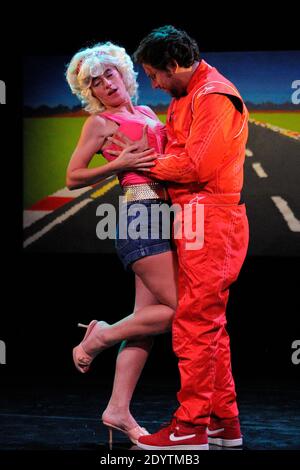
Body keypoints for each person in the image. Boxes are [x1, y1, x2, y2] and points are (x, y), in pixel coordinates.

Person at [111, 25, 249, 450]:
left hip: (212, 217)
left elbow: (193, 167)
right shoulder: (185, 97)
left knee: (195, 325)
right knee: (210, 327)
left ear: (174, 65)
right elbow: (177, 154)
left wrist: (139, 162)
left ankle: (190, 429)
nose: (152, 83)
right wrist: (159, 158)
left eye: (154, 74)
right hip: (193, 216)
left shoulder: (214, 96)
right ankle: (224, 424)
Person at [65, 42, 178, 445]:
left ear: (123, 74)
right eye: (95, 83)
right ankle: (100, 335)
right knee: (182, 311)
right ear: (91, 93)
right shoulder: (99, 124)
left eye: (109, 74)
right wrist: (119, 164)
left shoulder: (147, 113)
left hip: (166, 218)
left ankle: (117, 409)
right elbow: (74, 176)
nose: (106, 84)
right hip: (139, 216)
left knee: (144, 325)